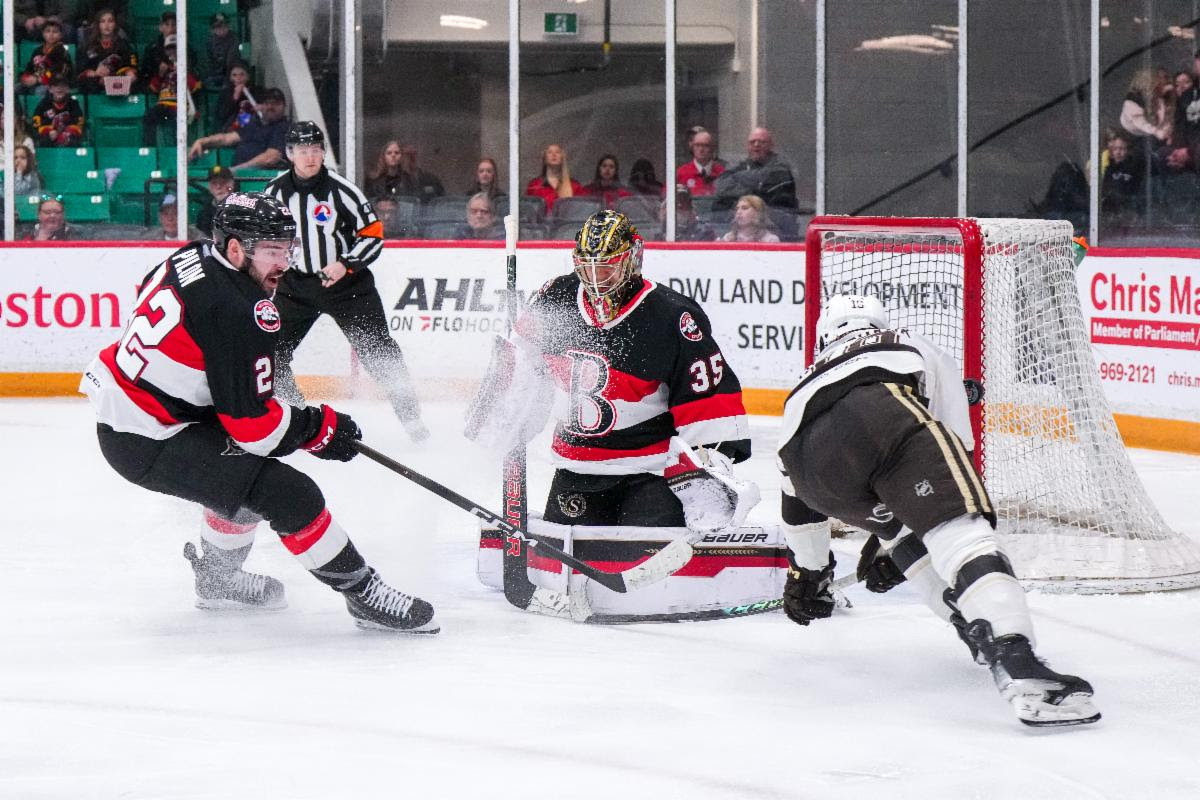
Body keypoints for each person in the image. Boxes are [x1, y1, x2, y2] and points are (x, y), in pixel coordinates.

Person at [79, 192, 438, 634]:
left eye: (288, 249)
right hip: (145, 436)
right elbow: (255, 429)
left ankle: (218, 579)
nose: (284, 263)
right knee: (288, 492)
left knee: (239, 484)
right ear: (235, 248)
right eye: (272, 251)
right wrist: (319, 428)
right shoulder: (238, 310)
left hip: (146, 408)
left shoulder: (191, 255)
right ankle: (364, 595)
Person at [776, 294, 1099, 727]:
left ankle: (974, 628)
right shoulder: (907, 342)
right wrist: (946, 509)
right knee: (959, 530)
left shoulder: (804, 383)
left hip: (813, 473)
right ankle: (1013, 653)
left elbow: (796, 500)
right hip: (882, 415)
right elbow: (953, 447)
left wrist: (809, 575)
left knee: (909, 545)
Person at [467, 209, 752, 533]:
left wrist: (709, 470)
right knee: (565, 570)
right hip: (576, 465)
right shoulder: (556, 298)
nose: (596, 281)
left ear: (631, 261)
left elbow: (707, 398)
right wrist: (502, 409)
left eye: (606, 270)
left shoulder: (669, 316)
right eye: (586, 270)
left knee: (646, 560)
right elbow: (523, 364)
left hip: (651, 471)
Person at [265, 122, 429, 442]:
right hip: (295, 286)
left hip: (348, 287)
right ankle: (297, 416)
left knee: (380, 353)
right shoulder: (275, 193)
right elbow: (265, 237)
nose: (310, 157)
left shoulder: (342, 191)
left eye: (315, 150)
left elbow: (372, 235)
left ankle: (411, 418)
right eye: (302, 151)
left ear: (323, 152)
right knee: (270, 351)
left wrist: (346, 264)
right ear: (289, 154)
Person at [188, 87, 289, 171]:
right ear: (261, 106)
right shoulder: (254, 124)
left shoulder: (284, 128)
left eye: (276, 103)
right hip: (238, 177)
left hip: (257, 179)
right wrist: (202, 142)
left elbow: (270, 157)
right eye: (267, 103)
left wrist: (236, 170)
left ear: (284, 106)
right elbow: (227, 139)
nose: (270, 106)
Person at [713, 126, 797, 210]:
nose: (756, 145)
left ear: (771, 145)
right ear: (747, 146)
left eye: (762, 142)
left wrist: (739, 180)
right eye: (752, 142)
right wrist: (753, 193)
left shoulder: (781, 166)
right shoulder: (739, 166)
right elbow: (720, 186)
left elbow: (771, 180)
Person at [142, 34, 201, 147]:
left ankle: (178, 153)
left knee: (176, 122)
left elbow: (196, 88)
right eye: (169, 49)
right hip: (163, 104)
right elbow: (152, 88)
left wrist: (183, 73)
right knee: (148, 116)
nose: (172, 52)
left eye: (175, 48)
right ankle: (151, 151)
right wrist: (160, 74)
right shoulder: (163, 68)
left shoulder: (189, 69)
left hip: (179, 105)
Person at [76, 7, 137, 94]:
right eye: (103, 21)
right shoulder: (88, 46)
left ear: (115, 24)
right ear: (98, 25)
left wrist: (129, 72)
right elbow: (81, 71)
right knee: (88, 83)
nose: (107, 25)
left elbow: (131, 65)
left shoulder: (123, 44)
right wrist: (95, 73)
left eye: (110, 21)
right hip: (96, 81)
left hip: (118, 79)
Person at [365, 140, 445, 204]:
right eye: (389, 153)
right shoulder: (374, 181)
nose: (393, 155)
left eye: (397, 153)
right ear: (383, 157)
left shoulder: (411, 180)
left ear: (402, 156)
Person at [19, 19, 73, 95]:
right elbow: (29, 68)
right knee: (15, 89)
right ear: (43, 33)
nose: (51, 34)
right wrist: (26, 78)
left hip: (55, 84)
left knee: (40, 91)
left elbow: (60, 71)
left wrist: (39, 79)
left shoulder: (62, 52)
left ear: (61, 35)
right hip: (36, 81)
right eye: (48, 31)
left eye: (55, 32)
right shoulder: (37, 51)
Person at [1101, 132, 1145, 226]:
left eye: (1122, 149)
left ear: (1128, 151)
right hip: (1112, 213)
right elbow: (1105, 191)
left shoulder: (1134, 168)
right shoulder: (1109, 170)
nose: (1118, 152)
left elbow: (1136, 191)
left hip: (1129, 210)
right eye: (1115, 149)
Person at [525, 143, 582, 213]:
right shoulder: (534, 185)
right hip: (542, 223)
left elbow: (580, 211)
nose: (554, 155)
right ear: (544, 158)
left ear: (562, 158)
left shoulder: (575, 186)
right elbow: (529, 211)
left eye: (557, 152)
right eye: (549, 152)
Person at [32, 76, 85, 147]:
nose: (59, 88)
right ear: (50, 89)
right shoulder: (43, 104)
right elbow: (36, 126)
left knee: (75, 142)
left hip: (69, 137)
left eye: (63, 86)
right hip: (49, 138)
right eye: (56, 85)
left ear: (67, 89)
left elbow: (79, 123)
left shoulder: (74, 104)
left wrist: (68, 134)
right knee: (43, 141)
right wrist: (49, 134)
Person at [676, 129, 725, 197]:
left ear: (713, 148)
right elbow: (666, 197)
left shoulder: (722, 173)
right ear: (692, 147)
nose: (701, 149)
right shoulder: (681, 172)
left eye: (705, 145)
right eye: (697, 145)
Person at [213, 62, 258, 132]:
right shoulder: (225, 93)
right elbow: (222, 115)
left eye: (242, 74)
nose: (238, 78)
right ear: (230, 78)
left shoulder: (257, 91)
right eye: (234, 75)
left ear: (248, 77)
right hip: (232, 130)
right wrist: (235, 96)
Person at [194, 164, 235, 238]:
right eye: (214, 183)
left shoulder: (242, 207)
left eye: (223, 182)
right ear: (209, 188)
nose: (218, 187)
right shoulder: (204, 213)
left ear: (231, 185)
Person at [205, 13, 241, 89]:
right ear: (213, 29)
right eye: (218, 27)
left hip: (230, 74)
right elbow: (207, 61)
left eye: (224, 25)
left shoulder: (233, 38)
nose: (222, 29)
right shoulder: (210, 41)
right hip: (213, 75)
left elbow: (232, 60)